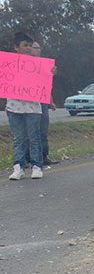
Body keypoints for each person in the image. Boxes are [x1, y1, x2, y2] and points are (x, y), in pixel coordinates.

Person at [6, 32, 44, 180]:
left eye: (30, 46)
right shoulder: (8, 63)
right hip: (14, 106)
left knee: (34, 137)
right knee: (19, 138)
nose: (28, 48)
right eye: (25, 45)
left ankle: (36, 166)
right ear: (16, 47)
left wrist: (51, 72)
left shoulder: (38, 64)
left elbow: (46, 81)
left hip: (33, 106)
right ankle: (19, 166)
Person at [29, 41, 59, 165]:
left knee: (43, 130)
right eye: (35, 48)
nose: (38, 50)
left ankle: (44, 156)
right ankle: (27, 158)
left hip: (42, 102)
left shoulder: (44, 64)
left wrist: (50, 100)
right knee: (29, 132)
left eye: (39, 48)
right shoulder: (24, 64)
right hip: (29, 102)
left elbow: (46, 85)